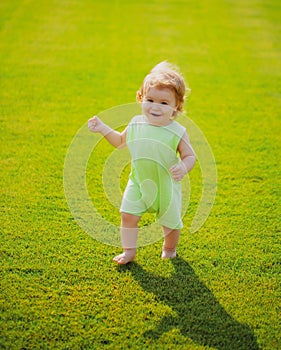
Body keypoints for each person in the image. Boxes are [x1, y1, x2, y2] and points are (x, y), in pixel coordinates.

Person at [88, 62, 196, 264]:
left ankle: (169, 248)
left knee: (170, 224)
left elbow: (190, 156)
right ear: (141, 98)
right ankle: (129, 252)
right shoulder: (136, 123)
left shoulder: (177, 131)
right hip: (138, 181)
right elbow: (120, 142)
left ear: (176, 107)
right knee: (127, 215)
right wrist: (102, 128)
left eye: (164, 103)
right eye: (150, 100)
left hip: (165, 185)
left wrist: (183, 167)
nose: (155, 106)